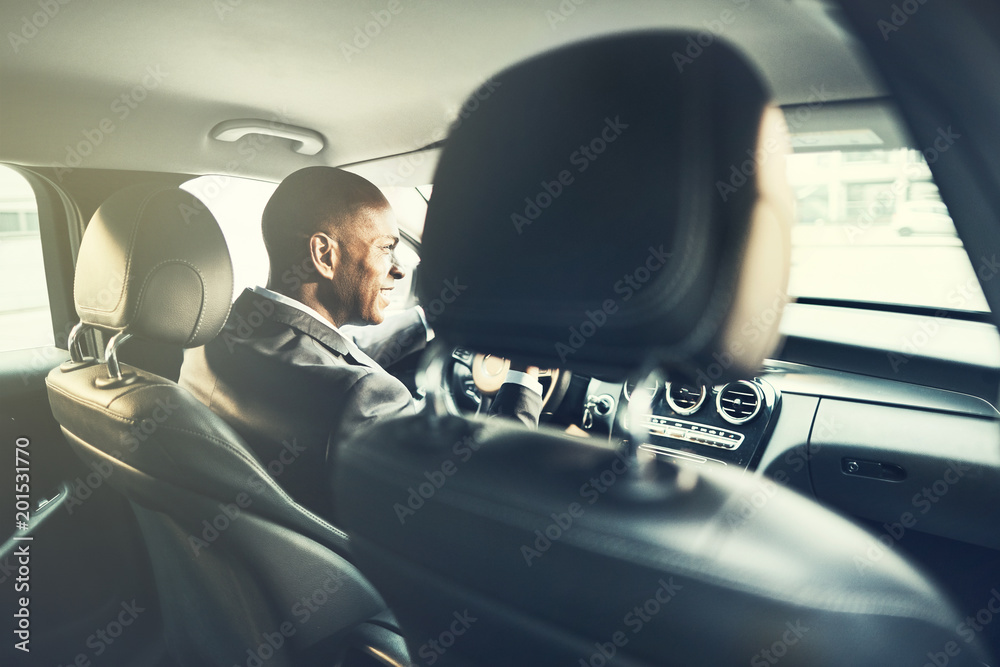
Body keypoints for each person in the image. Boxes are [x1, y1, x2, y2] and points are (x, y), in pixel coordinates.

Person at [179, 166, 542, 520]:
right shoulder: (363, 396)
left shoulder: (209, 337)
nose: (398, 270)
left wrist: (435, 316)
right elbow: (483, 495)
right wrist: (522, 375)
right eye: (387, 249)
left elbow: (338, 347)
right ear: (324, 255)